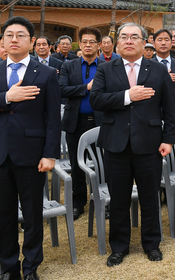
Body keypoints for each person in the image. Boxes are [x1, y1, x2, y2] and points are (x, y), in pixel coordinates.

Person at [0, 16, 61, 280]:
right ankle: (8, 268)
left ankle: (31, 267)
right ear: (2, 42)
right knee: (3, 215)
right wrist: (7, 96)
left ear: (31, 41)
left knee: (32, 215)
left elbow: (53, 118)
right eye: (9, 35)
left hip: (32, 155)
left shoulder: (46, 74)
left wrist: (50, 153)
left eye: (20, 35)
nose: (14, 39)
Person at [90, 23, 175, 267]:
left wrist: (168, 139)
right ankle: (119, 247)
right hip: (115, 144)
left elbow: (170, 109)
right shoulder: (106, 68)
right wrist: (128, 96)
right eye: (124, 37)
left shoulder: (158, 70)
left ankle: (151, 244)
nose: (128, 41)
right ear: (117, 43)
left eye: (134, 37)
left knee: (150, 196)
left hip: (149, 143)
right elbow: (96, 99)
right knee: (118, 199)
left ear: (143, 43)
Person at [59, 27, 104, 221]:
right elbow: (62, 90)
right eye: (84, 41)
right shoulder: (69, 66)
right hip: (75, 122)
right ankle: (78, 203)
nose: (87, 45)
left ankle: (104, 199)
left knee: (103, 163)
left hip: (101, 122)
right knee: (77, 165)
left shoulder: (106, 67)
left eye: (92, 42)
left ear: (99, 45)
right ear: (79, 43)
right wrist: (85, 87)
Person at [153, 28, 175, 121]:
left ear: (171, 42)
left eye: (167, 40)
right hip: (153, 113)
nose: (163, 43)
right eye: (160, 40)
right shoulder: (147, 66)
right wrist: (164, 79)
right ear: (154, 43)